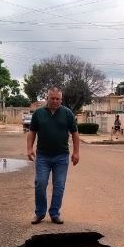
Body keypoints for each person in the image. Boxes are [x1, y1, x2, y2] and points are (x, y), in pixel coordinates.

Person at [26, 87, 80, 224]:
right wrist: (29, 148)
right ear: (47, 98)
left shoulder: (67, 113)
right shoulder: (38, 113)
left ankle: (55, 213)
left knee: (59, 185)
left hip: (61, 157)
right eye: (52, 98)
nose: (55, 101)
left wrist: (76, 152)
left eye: (58, 99)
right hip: (43, 156)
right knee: (40, 183)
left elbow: (74, 133)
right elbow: (32, 132)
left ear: (61, 99)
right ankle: (40, 213)